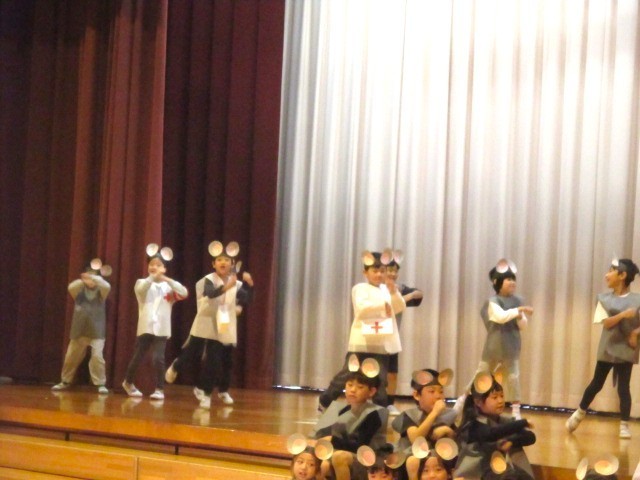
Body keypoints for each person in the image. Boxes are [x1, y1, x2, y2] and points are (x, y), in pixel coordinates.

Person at [165, 241, 254, 408]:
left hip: (223, 318)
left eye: (226, 260)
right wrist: (227, 287)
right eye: (219, 260)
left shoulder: (235, 282)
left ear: (232, 264)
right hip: (205, 318)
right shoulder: (208, 280)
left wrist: (249, 286)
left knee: (218, 359)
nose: (223, 262)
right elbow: (211, 293)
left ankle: (207, 392)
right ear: (213, 264)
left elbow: (245, 297)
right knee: (192, 353)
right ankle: (176, 366)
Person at [319, 251, 405, 410]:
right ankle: (325, 400)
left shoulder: (387, 289)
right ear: (365, 272)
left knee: (380, 379)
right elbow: (362, 309)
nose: (379, 274)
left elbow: (399, 307)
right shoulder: (360, 288)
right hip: (361, 343)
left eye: (382, 271)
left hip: (381, 343)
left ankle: (380, 410)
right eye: (375, 271)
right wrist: (383, 306)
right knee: (347, 374)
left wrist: (394, 292)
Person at [566, 258, 640, 439]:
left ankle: (624, 424)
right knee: (596, 383)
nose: (607, 275)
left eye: (611, 271)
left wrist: (635, 333)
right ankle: (579, 413)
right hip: (608, 348)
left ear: (622, 275)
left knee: (624, 388)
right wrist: (624, 315)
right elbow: (607, 323)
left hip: (626, 349)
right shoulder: (603, 299)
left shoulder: (637, 299)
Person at [465, 259, 533, 420]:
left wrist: (520, 316)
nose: (512, 282)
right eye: (508, 279)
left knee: (513, 377)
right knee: (481, 374)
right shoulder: (493, 301)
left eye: (513, 279)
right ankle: (462, 401)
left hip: (511, 345)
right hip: (494, 346)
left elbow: (523, 326)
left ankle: (516, 411)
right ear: (498, 283)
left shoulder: (518, 300)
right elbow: (500, 317)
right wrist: (519, 310)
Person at [122, 245, 188, 399]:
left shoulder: (168, 288)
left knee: (158, 358)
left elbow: (184, 293)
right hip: (146, 326)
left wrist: (166, 279)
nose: (154, 267)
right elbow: (140, 290)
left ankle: (159, 389)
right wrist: (153, 277)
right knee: (138, 356)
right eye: (151, 264)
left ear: (164, 268)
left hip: (162, 328)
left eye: (158, 265)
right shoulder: (142, 283)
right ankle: (128, 382)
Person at [311, 367, 389, 480]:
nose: (353, 390)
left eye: (360, 387)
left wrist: (332, 440)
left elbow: (361, 447)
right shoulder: (341, 409)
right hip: (346, 454)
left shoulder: (373, 414)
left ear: (371, 391)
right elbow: (320, 435)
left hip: (369, 461)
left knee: (339, 457)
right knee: (317, 458)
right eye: (350, 385)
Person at [455, 372, 536, 480]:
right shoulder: (473, 424)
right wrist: (523, 422)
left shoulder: (503, 421)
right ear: (478, 402)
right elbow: (491, 433)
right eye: (495, 397)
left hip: (494, 471)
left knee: (518, 459)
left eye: (502, 396)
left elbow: (530, 437)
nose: (500, 401)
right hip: (474, 474)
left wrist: (511, 441)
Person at [52, 260, 111, 394]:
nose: (91, 279)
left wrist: (94, 278)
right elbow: (71, 286)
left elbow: (106, 285)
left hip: (97, 331)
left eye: (94, 276)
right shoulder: (78, 290)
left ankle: (100, 383)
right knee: (71, 357)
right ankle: (65, 381)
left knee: (97, 357)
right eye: (88, 275)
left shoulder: (102, 292)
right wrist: (83, 279)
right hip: (79, 330)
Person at [393, 369, 457, 480]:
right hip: (413, 461)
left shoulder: (448, 415)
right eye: (431, 392)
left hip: (439, 461)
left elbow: (455, 444)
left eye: (441, 392)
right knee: (413, 461)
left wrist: (449, 431)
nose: (438, 396)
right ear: (417, 395)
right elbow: (416, 439)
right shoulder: (409, 415)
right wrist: (435, 412)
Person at [385, 258, 423, 416]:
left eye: (396, 270)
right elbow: (390, 306)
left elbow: (419, 294)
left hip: (392, 338)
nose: (393, 273)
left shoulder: (400, 288)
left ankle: (389, 403)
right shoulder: (376, 289)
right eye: (390, 270)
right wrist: (405, 298)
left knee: (392, 373)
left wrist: (411, 294)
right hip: (375, 337)